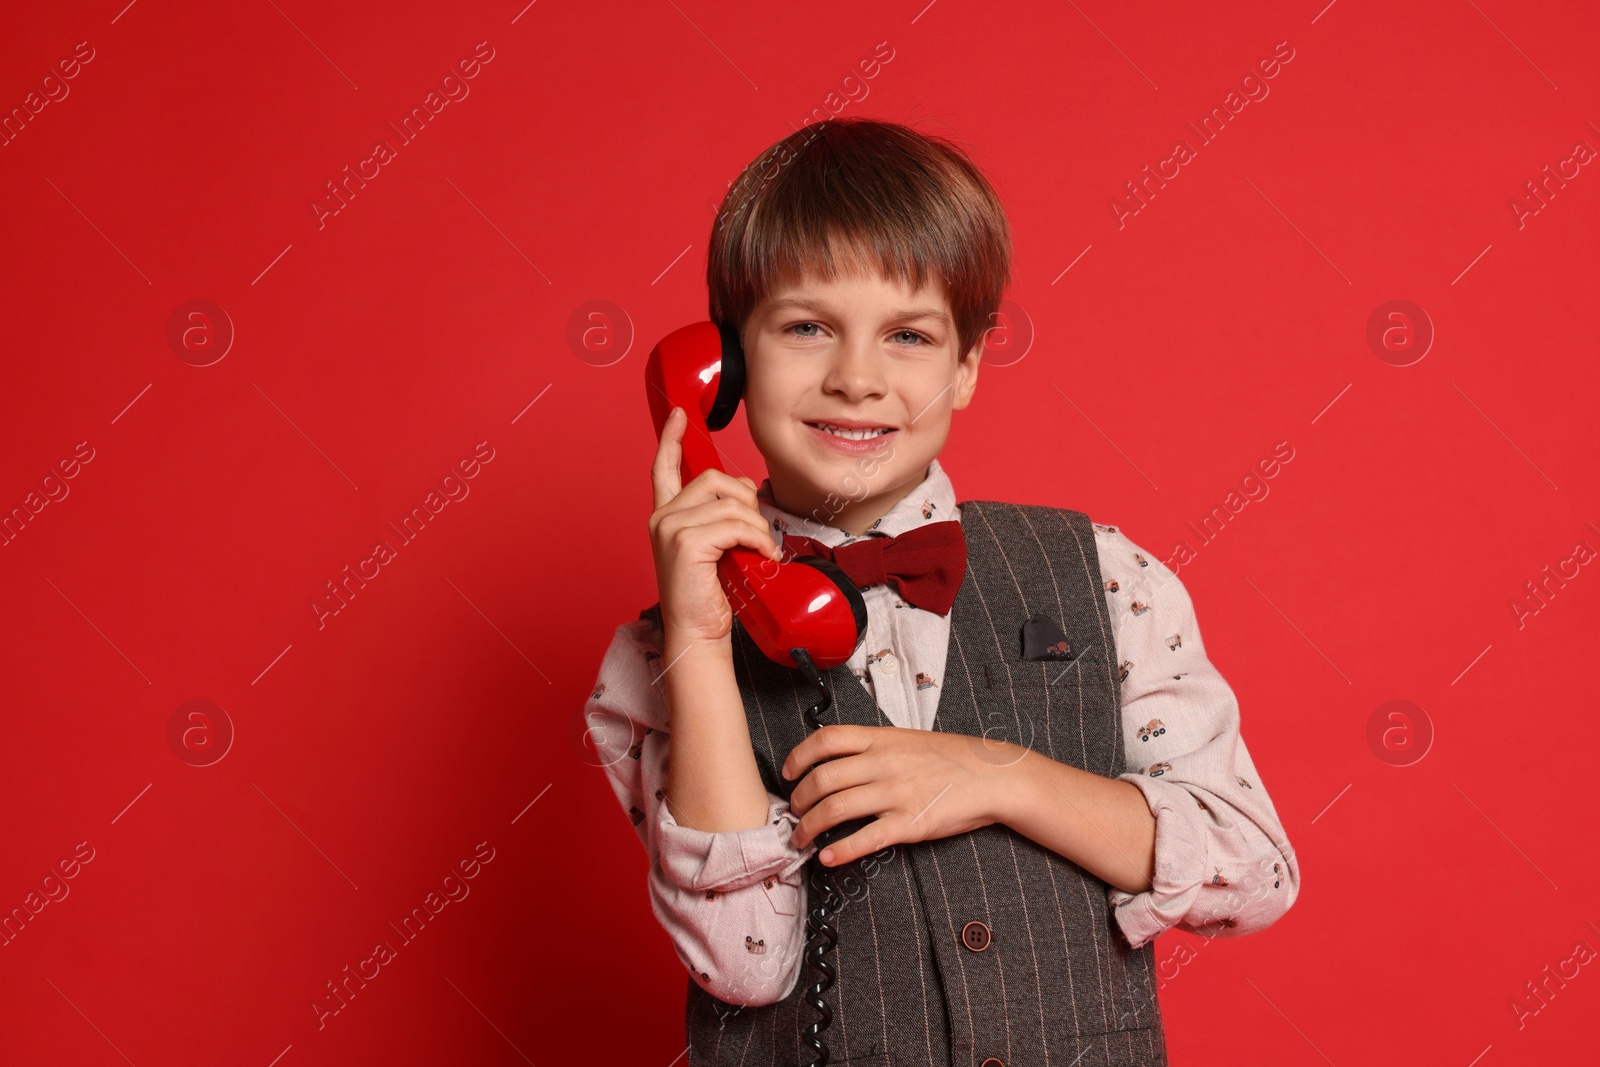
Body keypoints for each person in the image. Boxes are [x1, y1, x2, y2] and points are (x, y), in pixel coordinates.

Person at [586, 117, 1299, 1067]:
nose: (856, 377)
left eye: (908, 336)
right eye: (806, 327)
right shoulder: (654, 661)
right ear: (722, 367)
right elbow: (744, 967)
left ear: (964, 367)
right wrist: (703, 638)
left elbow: (1252, 874)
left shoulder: (1106, 572)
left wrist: (997, 778)